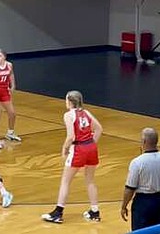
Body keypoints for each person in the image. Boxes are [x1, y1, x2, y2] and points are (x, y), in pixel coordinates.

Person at [42, 90, 103, 224]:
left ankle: (58, 213)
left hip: (79, 148)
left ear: (69, 102)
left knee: (65, 181)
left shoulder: (68, 115)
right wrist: (92, 144)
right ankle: (95, 211)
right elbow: (99, 129)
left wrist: (64, 149)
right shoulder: (87, 113)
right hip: (91, 147)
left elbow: (71, 136)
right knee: (90, 181)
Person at [121, 127, 160, 231]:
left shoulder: (137, 162)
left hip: (143, 203)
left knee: (141, 232)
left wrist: (124, 205)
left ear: (144, 141)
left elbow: (130, 188)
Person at [0, 49, 22, 143]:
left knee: (12, 113)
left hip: (5, 91)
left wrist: (13, 85)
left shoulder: (9, 65)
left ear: (4, 57)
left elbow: (11, 75)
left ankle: (10, 133)